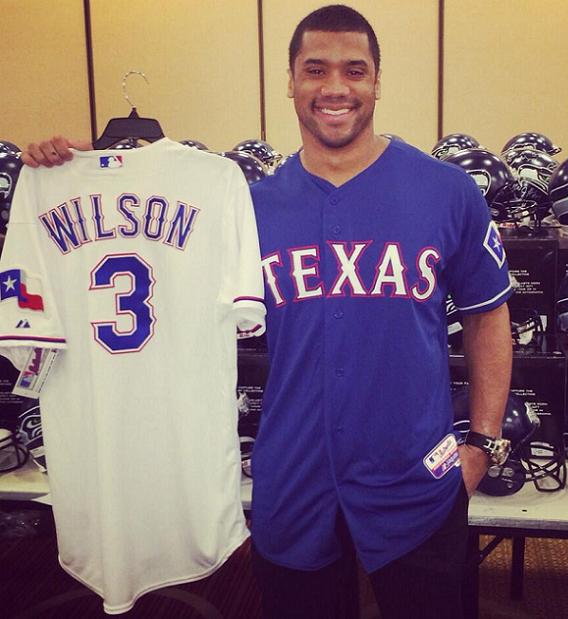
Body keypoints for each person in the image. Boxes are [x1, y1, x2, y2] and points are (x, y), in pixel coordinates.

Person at [22, 5, 512, 618]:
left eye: (354, 71)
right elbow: (143, 236)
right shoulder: (244, 208)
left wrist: (484, 443)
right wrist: (79, 171)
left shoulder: (446, 190)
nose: (335, 88)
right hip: (294, 479)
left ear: (378, 82)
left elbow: (488, 315)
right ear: (290, 81)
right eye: (315, 70)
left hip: (416, 478)